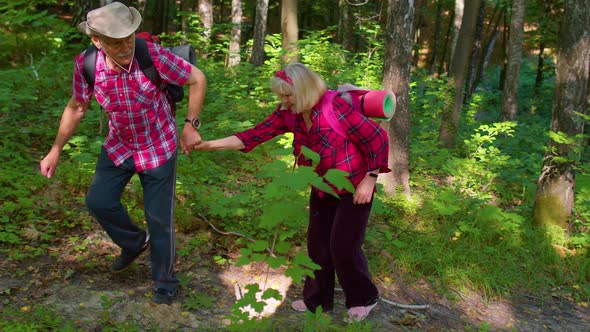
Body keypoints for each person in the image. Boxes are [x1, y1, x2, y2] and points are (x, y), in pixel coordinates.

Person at [39, 2, 207, 305]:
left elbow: (197, 78)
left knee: (159, 219)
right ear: (97, 41)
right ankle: (133, 242)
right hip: (120, 144)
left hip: (158, 146)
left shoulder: (151, 55)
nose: (126, 46)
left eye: (128, 38)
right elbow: (77, 106)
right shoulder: (87, 64)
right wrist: (55, 149)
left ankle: (165, 282)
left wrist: (190, 125)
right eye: (116, 42)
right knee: (98, 201)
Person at [195, 63, 390, 322]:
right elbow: (253, 135)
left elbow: (377, 138)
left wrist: (370, 178)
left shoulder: (336, 108)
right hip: (321, 186)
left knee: (343, 246)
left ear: (305, 90)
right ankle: (317, 301)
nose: (283, 101)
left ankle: (364, 297)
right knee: (318, 245)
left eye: (288, 95)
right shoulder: (290, 113)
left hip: (355, 185)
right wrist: (208, 145)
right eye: (280, 96)